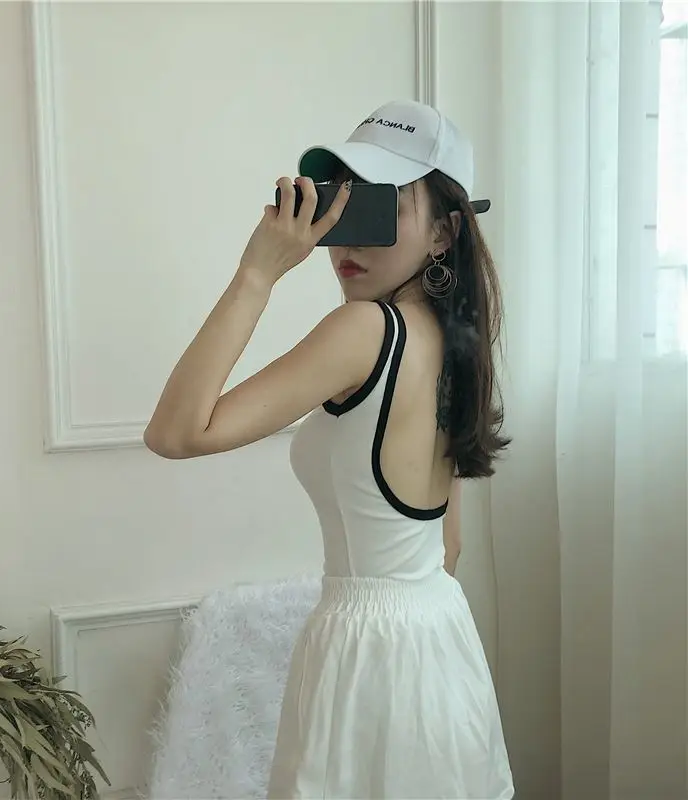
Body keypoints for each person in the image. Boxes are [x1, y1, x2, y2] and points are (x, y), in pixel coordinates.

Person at [144, 99, 514, 799]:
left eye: (379, 209)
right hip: (441, 640)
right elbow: (449, 546)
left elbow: (176, 432)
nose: (347, 242)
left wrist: (257, 273)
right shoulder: (456, 340)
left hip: (368, 655)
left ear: (444, 231)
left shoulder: (365, 331)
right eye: (342, 205)